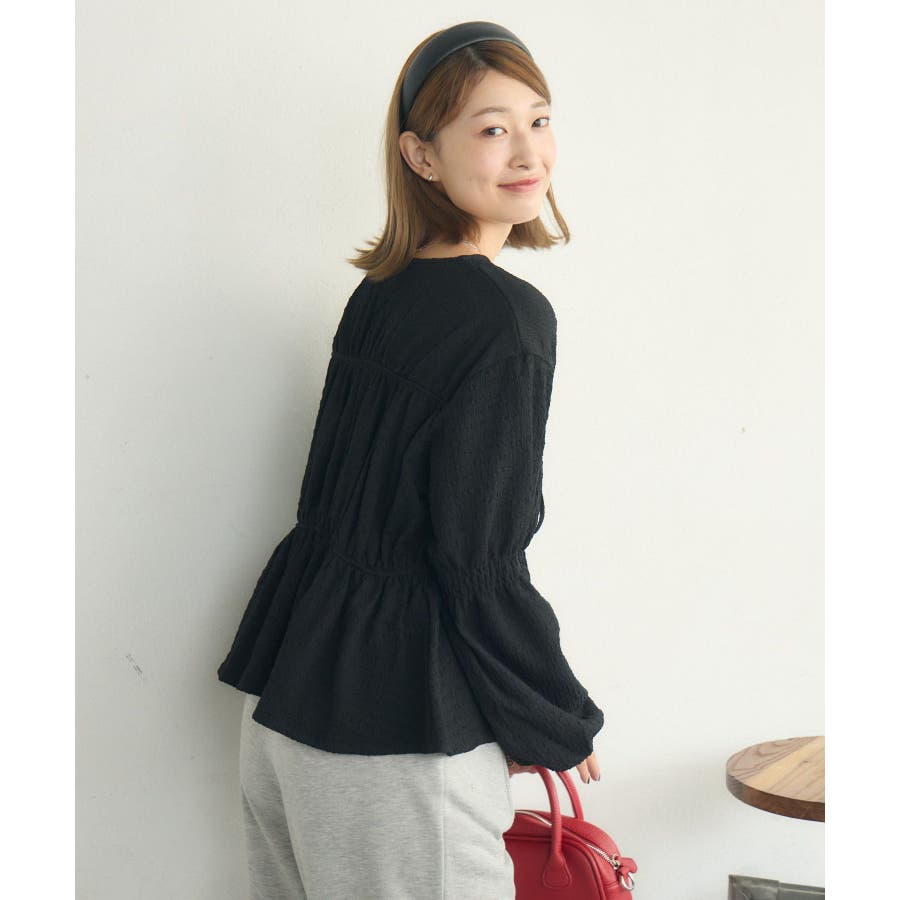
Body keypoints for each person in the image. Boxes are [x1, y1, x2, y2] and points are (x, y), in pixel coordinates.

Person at [217, 20, 604, 900]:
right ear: (421, 155)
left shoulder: (384, 290)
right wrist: (551, 713)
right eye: (492, 128)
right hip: (399, 730)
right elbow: (475, 556)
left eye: (539, 119)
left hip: (289, 701)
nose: (528, 152)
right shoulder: (504, 320)